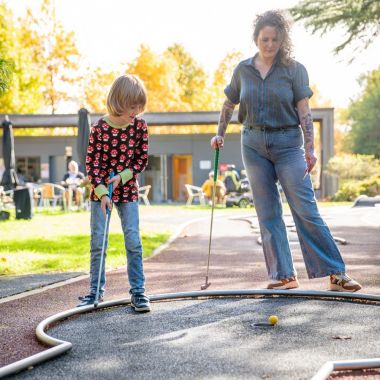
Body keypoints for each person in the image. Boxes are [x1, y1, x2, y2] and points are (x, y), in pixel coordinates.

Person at [210, 10, 361, 292]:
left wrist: (311, 150)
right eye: (264, 39)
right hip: (252, 144)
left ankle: (336, 274)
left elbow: (305, 111)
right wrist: (219, 134)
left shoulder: (294, 69)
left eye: (275, 40)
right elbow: (229, 104)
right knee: (267, 212)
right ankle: (283, 275)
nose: (269, 45)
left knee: (305, 208)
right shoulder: (243, 70)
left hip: (289, 143)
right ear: (256, 38)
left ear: (282, 40)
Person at [77, 74, 151, 311]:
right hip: (101, 193)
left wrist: (122, 177)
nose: (137, 111)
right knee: (98, 242)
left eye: (140, 107)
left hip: (127, 190)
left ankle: (138, 292)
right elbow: (92, 163)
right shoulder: (99, 128)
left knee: (133, 240)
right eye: (133, 106)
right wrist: (102, 192)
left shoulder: (139, 126)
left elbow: (141, 158)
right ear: (119, 101)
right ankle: (95, 292)